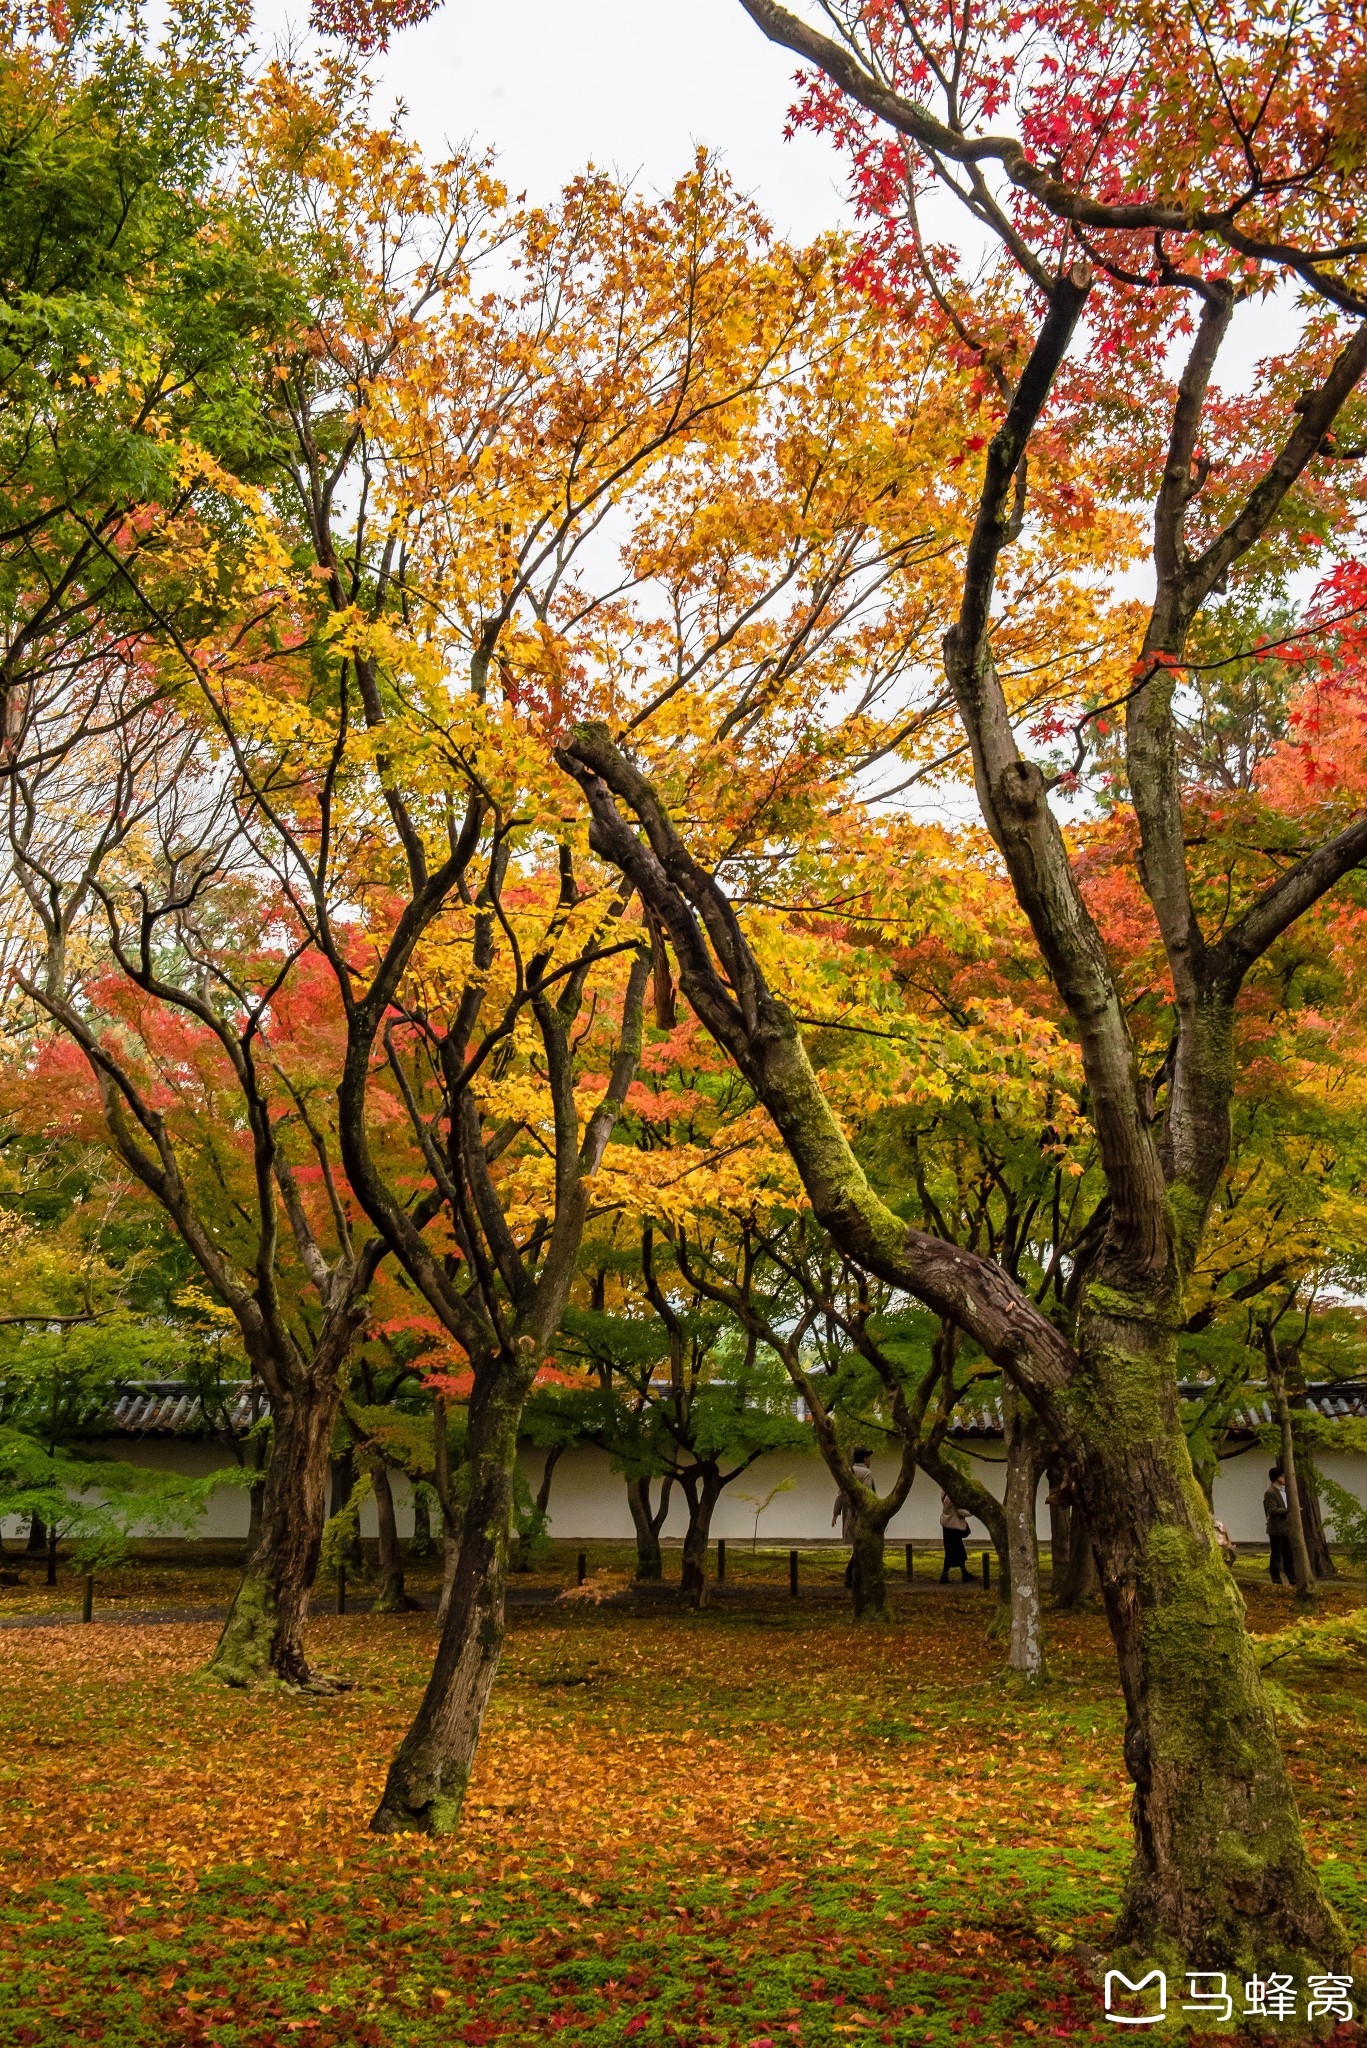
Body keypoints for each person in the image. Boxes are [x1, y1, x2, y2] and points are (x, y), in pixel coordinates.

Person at [833, 1448, 875, 1588]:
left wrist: (835, 1513)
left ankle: (854, 1576)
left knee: (860, 1546)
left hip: (849, 1515)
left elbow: (840, 1494)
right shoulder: (866, 1473)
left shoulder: (848, 1472)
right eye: (869, 1458)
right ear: (864, 1459)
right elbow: (867, 1492)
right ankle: (851, 1575)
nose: (870, 1461)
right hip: (862, 1515)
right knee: (862, 1546)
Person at [1264, 1465, 1296, 1585]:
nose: (1284, 1478)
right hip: (1276, 1528)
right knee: (1277, 1554)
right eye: (1282, 1476)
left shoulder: (1283, 1491)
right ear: (1277, 1478)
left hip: (1285, 1527)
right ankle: (1276, 1578)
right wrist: (1289, 1510)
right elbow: (1272, 1510)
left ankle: (1292, 1577)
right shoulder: (1270, 1492)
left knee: (1288, 1554)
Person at [939, 1490, 973, 1584]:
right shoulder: (954, 1496)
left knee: (955, 1550)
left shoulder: (944, 1492)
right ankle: (944, 1575)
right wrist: (972, 1511)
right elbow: (960, 1511)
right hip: (954, 1525)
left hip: (947, 1524)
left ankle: (964, 1573)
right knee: (954, 1551)